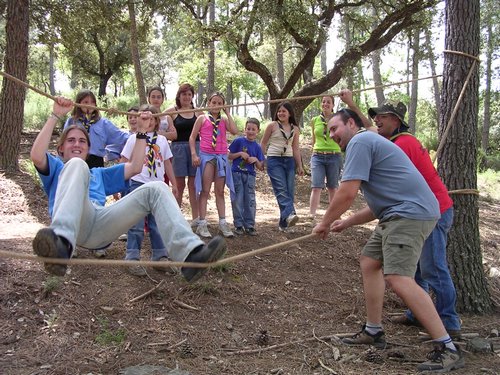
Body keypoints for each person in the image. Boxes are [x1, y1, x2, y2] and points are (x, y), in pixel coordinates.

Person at [312, 108, 464, 373]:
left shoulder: (360, 141)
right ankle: (374, 331)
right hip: (396, 213)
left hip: (410, 214)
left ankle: (448, 347)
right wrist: (345, 222)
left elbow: (347, 193)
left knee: (398, 277)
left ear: (351, 123)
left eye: (335, 128)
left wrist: (323, 222)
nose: (332, 134)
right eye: (328, 131)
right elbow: (377, 207)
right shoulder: (367, 144)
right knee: (370, 261)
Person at [30, 96, 227, 283]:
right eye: (71, 140)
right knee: (75, 165)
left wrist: (141, 132)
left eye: (82, 141)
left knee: (156, 187)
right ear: (60, 148)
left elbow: (135, 167)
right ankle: (61, 244)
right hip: (69, 228)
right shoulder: (57, 168)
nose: (77, 144)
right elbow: (37, 156)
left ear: (88, 149)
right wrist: (55, 115)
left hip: (99, 225)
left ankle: (190, 255)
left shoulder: (98, 174)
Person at [340, 89, 462, 340]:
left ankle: (448, 325)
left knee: (431, 269)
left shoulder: (402, 143)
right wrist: (350, 103)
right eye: (376, 117)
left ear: (396, 120)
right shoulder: (387, 142)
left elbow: (364, 135)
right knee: (405, 267)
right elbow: (365, 131)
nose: (377, 120)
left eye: (382, 116)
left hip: (429, 209)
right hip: (411, 209)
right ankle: (413, 315)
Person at [120, 104, 178, 277]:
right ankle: (132, 257)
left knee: (157, 223)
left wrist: (174, 184)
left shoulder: (162, 141)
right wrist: (119, 183)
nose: (149, 121)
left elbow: (167, 163)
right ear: (139, 120)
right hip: (137, 184)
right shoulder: (134, 139)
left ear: (157, 120)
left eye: (153, 118)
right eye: (145, 118)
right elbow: (124, 160)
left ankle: (159, 257)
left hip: (158, 186)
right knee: (136, 223)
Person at [189, 91, 239, 239]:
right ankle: (202, 223)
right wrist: (194, 154)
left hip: (221, 157)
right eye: (214, 102)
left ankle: (223, 222)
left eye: (219, 103)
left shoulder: (224, 120)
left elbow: (235, 131)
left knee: (219, 191)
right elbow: (192, 138)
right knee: (205, 190)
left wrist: (228, 113)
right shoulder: (202, 118)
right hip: (206, 156)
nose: (216, 105)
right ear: (208, 103)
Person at [260, 101, 304, 232]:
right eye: (279, 111)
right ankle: (291, 214)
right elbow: (263, 143)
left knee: (289, 191)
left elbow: (296, 148)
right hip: (274, 160)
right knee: (281, 189)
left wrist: (300, 165)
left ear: (289, 113)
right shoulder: (272, 126)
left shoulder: (295, 129)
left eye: (284, 111)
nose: (281, 113)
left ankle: (284, 224)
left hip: (289, 161)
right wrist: (262, 159)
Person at [165, 83, 204, 227]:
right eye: (184, 94)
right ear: (179, 96)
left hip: (196, 150)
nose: (187, 97)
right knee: (178, 185)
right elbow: (158, 120)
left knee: (193, 185)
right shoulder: (171, 112)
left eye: (189, 94)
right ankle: (176, 219)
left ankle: (196, 219)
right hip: (178, 149)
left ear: (192, 96)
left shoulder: (199, 112)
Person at [64, 89, 129, 169]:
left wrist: (138, 136)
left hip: (95, 162)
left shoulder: (103, 123)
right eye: (86, 102)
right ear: (78, 103)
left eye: (92, 102)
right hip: (75, 159)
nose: (90, 105)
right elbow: (64, 142)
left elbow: (121, 137)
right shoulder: (72, 121)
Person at [308, 95, 342, 223]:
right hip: (318, 155)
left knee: (333, 187)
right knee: (316, 186)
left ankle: (334, 214)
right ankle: (311, 214)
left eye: (328, 102)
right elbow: (314, 139)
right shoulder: (315, 120)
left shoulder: (338, 119)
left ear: (333, 105)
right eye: (323, 102)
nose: (325, 104)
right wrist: (313, 152)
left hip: (334, 155)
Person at [228, 118, 265, 236]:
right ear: (245, 130)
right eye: (248, 129)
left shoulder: (258, 147)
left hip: (250, 176)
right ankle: (238, 224)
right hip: (237, 174)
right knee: (237, 199)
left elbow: (261, 167)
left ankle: (249, 225)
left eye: (253, 129)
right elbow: (229, 155)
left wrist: (255, 160)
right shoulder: (238, 141)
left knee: (250, 200)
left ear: (258, 131)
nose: (250, 131)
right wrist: (240, 154)